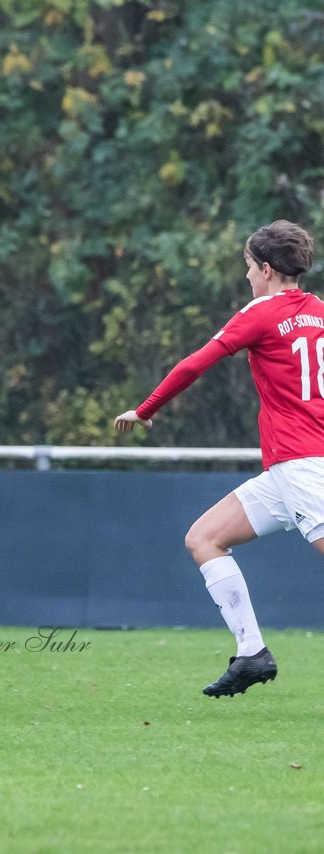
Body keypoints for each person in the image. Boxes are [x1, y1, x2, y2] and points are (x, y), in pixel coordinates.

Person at [114, 219, 318, 698]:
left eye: (248, 266)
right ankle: (252, 653)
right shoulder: (320, 313)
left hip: (303, 465)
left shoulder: (261, 312)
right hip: (289, 469)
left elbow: (194, 364)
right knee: (205, 538)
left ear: (266, 268)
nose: (246, 275)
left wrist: (145, 411)